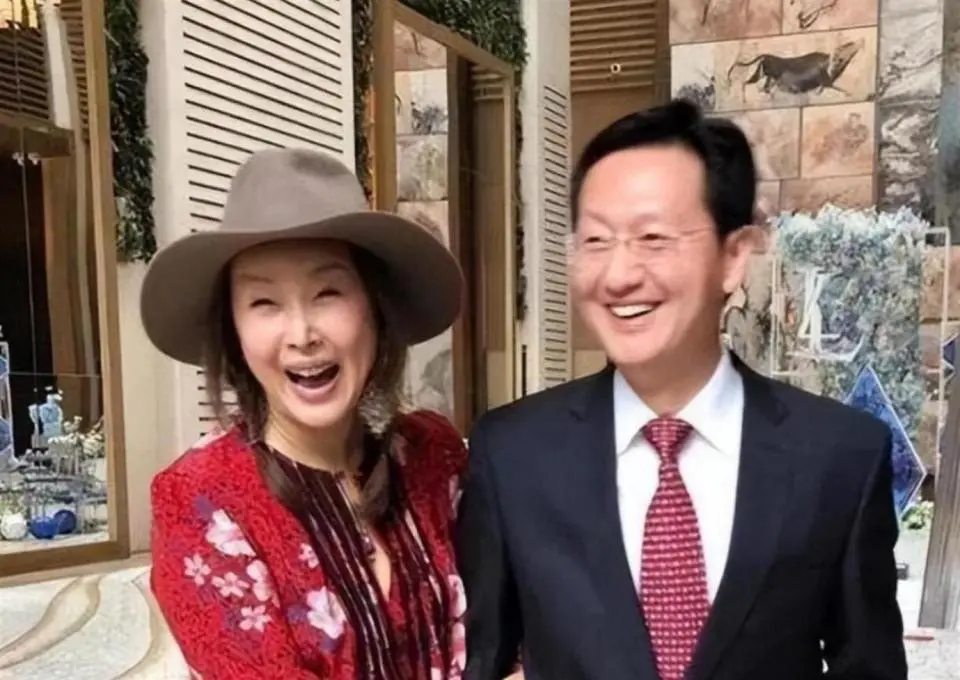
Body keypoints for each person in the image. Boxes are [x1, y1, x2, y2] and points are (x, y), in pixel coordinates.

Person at [455, 100, 907, 680]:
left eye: (652, 238)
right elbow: (485, 661)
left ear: (734, 256)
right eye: (596, 241)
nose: (619, 275)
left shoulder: (840, 455)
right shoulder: (513, 454)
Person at [143, 148, 470, 679]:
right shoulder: (200, 501)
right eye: (264, 303)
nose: (301, 335)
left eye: (328, 292)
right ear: (234, 330)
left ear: (374, 309)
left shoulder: (433, 456)